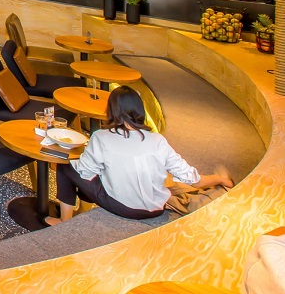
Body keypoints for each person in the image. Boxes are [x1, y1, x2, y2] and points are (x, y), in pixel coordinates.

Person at [45, 86, 233, 226]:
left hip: (122, 207)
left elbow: (85, 172)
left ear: (111, 110)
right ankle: (223, 180)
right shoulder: (158, 140)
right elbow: (193, 179)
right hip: (156, 209)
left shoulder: (101, 137)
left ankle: (64, 221)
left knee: (66, 167)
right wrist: (220, 179)